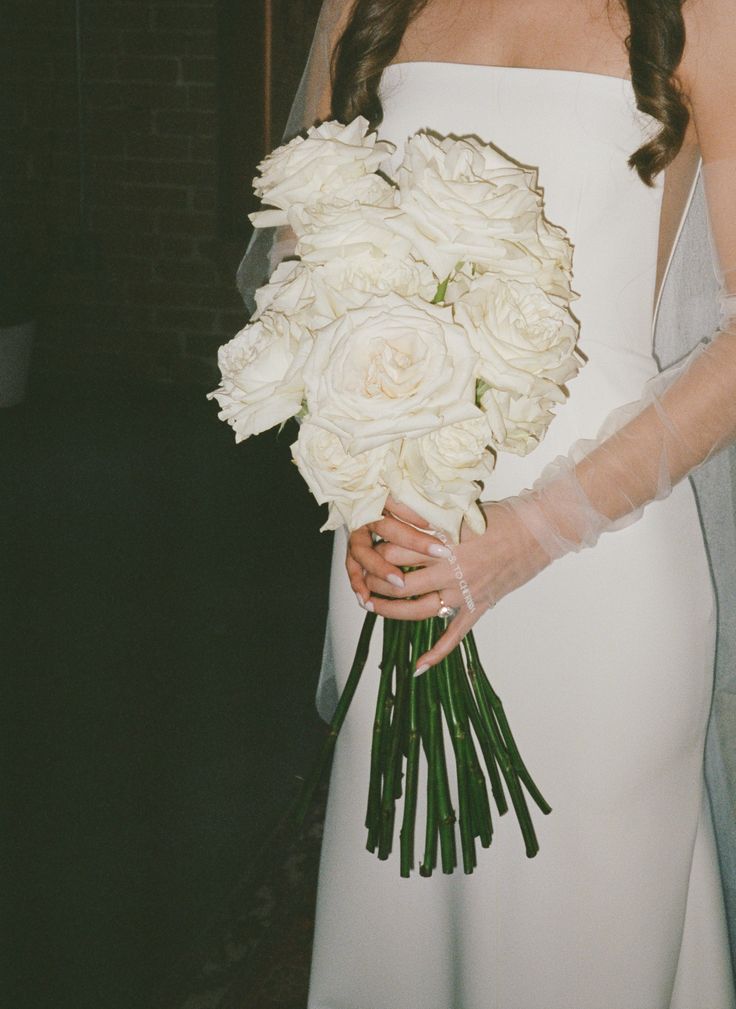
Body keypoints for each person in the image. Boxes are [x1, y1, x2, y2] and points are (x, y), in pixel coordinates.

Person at [238, 0, 736, 1004]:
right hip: (403, 533)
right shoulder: (369, 6)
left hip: (604, 564)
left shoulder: (702, 15)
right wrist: (362, 470)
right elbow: (305, 263)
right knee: (406, 925)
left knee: (586, 935)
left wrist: (538, 528)